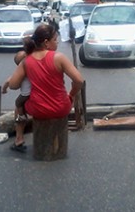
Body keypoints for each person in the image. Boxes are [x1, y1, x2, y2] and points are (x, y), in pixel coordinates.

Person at [7, 24, 84, 152]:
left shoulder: (27, 61)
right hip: (62, 107)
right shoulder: (59, 57)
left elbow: (13, 85)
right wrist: (71, 95)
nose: (57, 42)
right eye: (55, 39)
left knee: (18, 106)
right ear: (46, 42)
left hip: (38, 109)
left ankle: (19, 138)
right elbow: (79, 81)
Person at [2, 51, 30, 124]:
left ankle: (21, 116)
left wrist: (4, 89)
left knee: (18, 103)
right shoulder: (32, 68)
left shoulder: (21, 72)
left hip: (26, 94)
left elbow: (8, 82)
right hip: (36, 92)